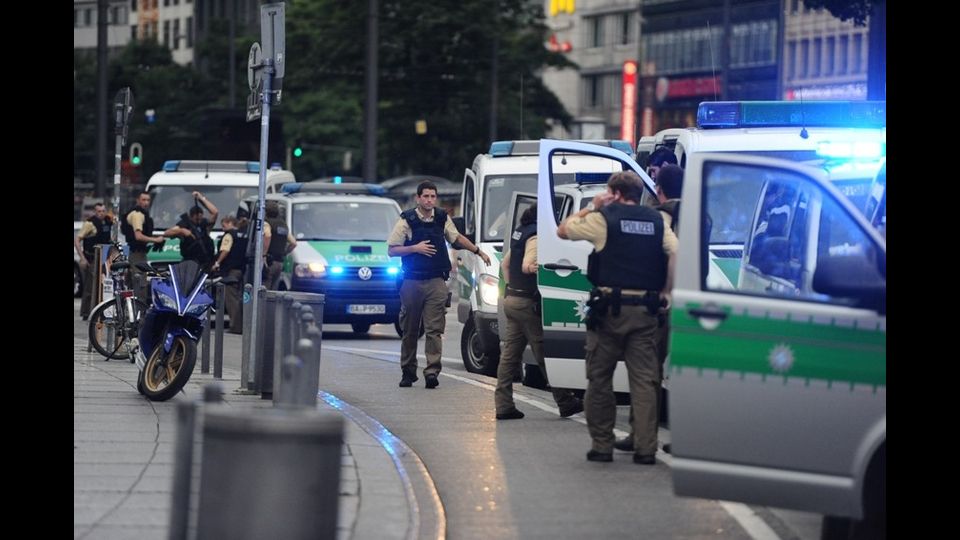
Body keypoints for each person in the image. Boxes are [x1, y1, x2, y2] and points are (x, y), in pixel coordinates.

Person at [557, 171, 677, 464]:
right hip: (646, 310)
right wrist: (665, 292)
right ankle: (646, 448)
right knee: (645, 381)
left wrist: (592, 206)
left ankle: (602, 445)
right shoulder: (657, 220)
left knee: (599, 378)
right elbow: (676, 252)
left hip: (609, 310)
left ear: (615, 193)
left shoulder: (603, 218)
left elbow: (563, 230)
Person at [387, 180, 490, 389]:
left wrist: (477, 251)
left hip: (436, 281)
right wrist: (415, 248)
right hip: (412, 280)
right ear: (418, 198)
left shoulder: (442, 218)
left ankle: (432, 372)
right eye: (425, 196)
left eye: (433, 196)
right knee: (410, 329)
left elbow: (457, 238)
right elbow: (392, 249)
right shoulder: (407, 220)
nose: (429, 200)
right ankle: (408, 370)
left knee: (435, 329)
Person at [613, 163, 684, 454]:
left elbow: (666, 255)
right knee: (686, 372)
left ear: (659, 189)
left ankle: (641, 435)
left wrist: (664, 291)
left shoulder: (661, 217)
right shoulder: (699, 214)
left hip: (663, 304)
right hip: (696, 302)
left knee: (647, 372)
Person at [495, 203, 584, 420]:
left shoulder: (520, 233)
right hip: (526, 304)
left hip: (512, 300)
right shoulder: (535, 235)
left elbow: (505, 264)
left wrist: (510, 288)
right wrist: (534, 269)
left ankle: (504, 405)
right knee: (544, 351)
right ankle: (565, 401)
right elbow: (527, 264)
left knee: (509, 356)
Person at [121, 191, 167, 301]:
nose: (146, 203)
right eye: (143, 200)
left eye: (148, 200)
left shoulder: (142, 214)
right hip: (137, 253)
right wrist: (156, 240)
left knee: (133, 282)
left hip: (137, 252)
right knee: (140, 282)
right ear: (138, 200)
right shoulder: (137, 215)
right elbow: (138, 236)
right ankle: (140, 311)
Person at [75, 202, 114, 320]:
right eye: (98, 211)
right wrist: (82, 257)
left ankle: (100, 311)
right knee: (90, 287)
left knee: (104, 286)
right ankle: (86, 313)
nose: (101, 214)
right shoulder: (90, 223)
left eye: (103, 211)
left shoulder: (108, 221)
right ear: (94, 211)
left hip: (105, 258)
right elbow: (77, 240)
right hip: (92, 258)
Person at [212, 214, 247, 334]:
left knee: (231, 299)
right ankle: (239, 325)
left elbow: (225, 251)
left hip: (230, 270)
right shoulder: (242, 235)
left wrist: (217, 263)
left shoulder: (229, 235)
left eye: (224, 225)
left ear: (230, 223)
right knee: (237, 297)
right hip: (240, 269)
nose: (222, 228)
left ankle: (235, 326)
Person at [166, 192, 219, 270]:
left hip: (206, 262)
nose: (199, 220)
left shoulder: (204, 224)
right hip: (190, 262)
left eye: (201, 218)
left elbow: (215, 212)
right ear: (191, 217)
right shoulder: (185, 224)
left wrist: (201, 198)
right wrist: (182, 231)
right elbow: (167, 233)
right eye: (197, 219)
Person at [263, 201, 296, 290]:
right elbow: (293, 243)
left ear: (266, 212)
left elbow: (267, 235)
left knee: (264, 289)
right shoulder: (283, 225)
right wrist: (284, 253)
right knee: (274, 290)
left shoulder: (267, 223)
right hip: (280, 262)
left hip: (269, 261)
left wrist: (264, 254)